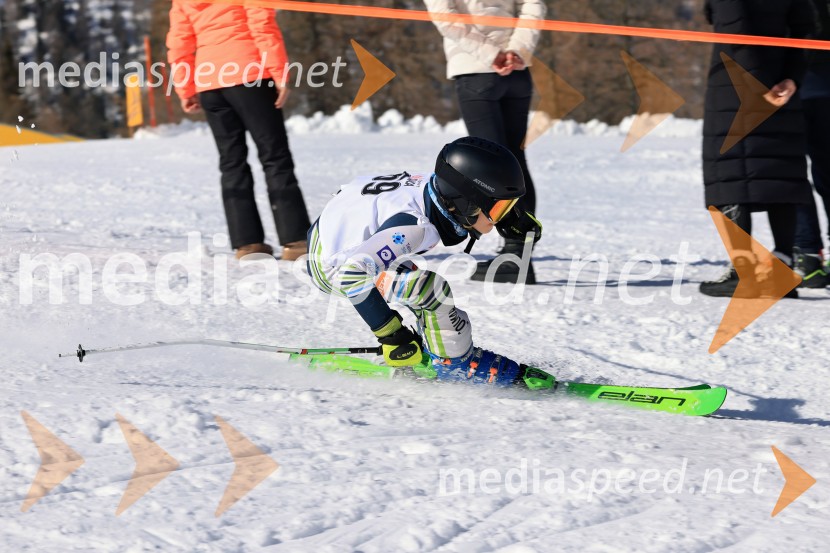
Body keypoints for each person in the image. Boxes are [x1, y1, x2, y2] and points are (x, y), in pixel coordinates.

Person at [306, 137, 544, 385]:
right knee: (430, 290)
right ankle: (454, 365)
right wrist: (392, 336)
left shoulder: (440, 188)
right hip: (333, 265)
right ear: (466, 205)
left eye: (508, 207)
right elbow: (352, 274)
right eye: (499, 210)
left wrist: (507, 218)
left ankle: (437, 348)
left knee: (420, 289)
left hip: (337, 237)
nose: (501, 217)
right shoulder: (415, 228)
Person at [167, 0, 311, 260]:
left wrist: (185, 88)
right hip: (250, 75)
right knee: (274, 156)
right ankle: (295, 239)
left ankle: (247, 244)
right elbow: (262, 25)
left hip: (210, 83)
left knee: (232, 162)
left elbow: (179, 43)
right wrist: (279, 73)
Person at [699, 0, 817, 297]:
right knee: (781, 172)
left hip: (737, 88)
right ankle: (782, 267)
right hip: (782, 89)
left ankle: (744, 271)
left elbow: (734, 27)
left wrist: (757, 84)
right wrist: (791, 79)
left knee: (729, 175)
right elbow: (804, 29)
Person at [424, 0, 546, 284]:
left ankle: (515, 259)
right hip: (517, 73)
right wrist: (517, 50)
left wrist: (492, 55)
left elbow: (446, 16)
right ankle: (519, 255)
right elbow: (533, 6)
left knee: (495, 168)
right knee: (514, 162)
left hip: (477, 70)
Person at [793, 0, 830, 288]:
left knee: (791, 172)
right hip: (802, 82)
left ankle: (807, 254)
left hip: (794, 83)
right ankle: (806, 254)